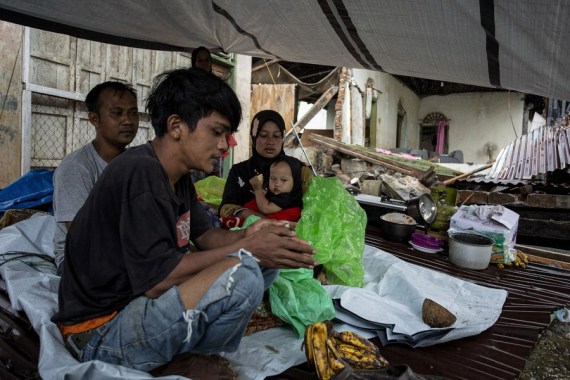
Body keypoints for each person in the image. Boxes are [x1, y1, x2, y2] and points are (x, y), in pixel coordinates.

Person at [51, 68, 316, 372]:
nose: (225, 145)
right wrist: (249, 249)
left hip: (134, 306)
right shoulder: (141, 173)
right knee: (243, 274)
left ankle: (191, 358)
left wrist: (251, 234)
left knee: (265, 262)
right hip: (101, 331)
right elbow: (158, 281)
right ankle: (197, 362)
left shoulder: (178, 178)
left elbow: (206, 238)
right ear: (176, 126)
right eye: (217, 132)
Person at [52, 81, 139, 275]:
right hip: (81, 260)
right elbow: (83, 236)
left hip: (129, 253)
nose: (128, 121)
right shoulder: (76, 167)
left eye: (133, 113)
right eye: (117, 113)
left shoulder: (135, 163)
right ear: (94, 119)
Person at [219, 109, 313, 220]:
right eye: (263, 135)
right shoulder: (239, 171)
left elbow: (314, 208)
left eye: (276, 136)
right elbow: (225, 208)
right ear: (253, 137)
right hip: (249, 233)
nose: (270, 142)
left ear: (282, 138)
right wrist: (248, 214)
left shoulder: (299, 169)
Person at [246, 156, 303, 222]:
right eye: (273, 179)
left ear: (295, 181)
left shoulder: (289, 198)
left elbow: (265, 208)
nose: (277, 184)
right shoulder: (278, 193)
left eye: (283, 180)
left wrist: (258, 190)